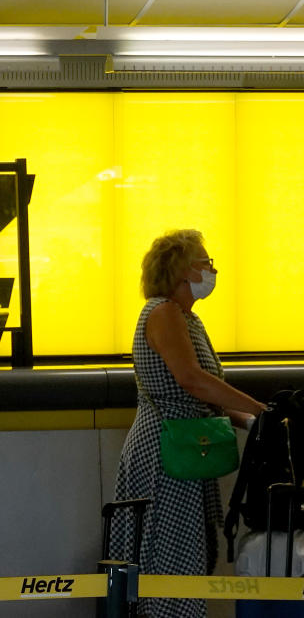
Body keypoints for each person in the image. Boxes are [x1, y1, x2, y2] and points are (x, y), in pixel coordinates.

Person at [111, 229, 266, 618]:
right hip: (166, 455)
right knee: (171, 554)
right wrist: (260, 411)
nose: (212, 270)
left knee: (186, 551)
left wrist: (249, 421)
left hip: (183, 449)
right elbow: (192, 381)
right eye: (205, 263)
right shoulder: (163, 313)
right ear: (180, 270)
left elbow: (203, 392)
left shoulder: (187, 319)